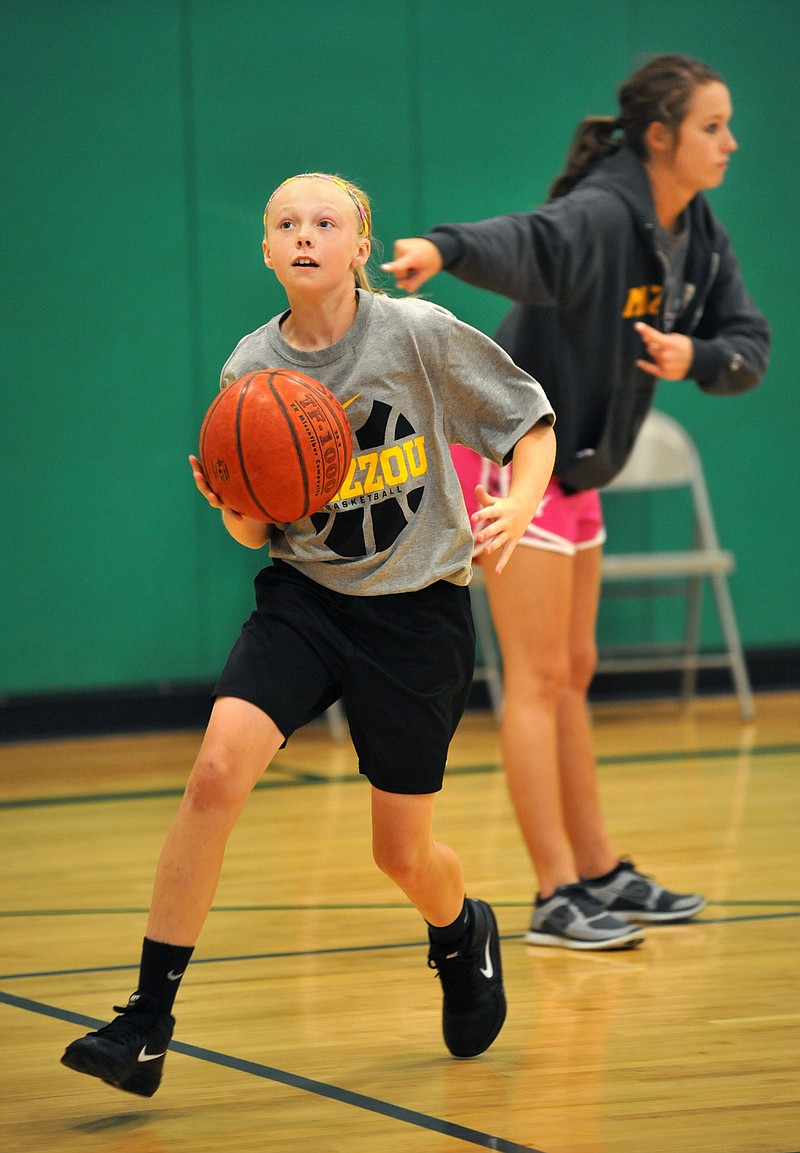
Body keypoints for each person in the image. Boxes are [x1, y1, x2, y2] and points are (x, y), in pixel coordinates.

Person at [60, 172, 556, 1095]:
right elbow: (257, 529)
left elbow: (531, 424)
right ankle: (146, 1022)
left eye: (325, 221)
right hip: (308, 601)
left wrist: (520, 502)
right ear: (265, 250)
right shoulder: (250, 371)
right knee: (214, 773)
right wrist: (231, 503)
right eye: (285, 222)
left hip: (417, 613)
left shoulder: (414, 332)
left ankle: (461, 930)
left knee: (399, 850)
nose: (304, 235)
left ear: (361, 245)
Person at [382, 54, 770, 951]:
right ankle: (555, 891)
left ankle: (598, 868)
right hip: (513, 457)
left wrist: (697, 358)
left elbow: (745, 338)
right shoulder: (603, 212)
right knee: (538, 677)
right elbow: (532, 241)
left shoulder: (694, 229)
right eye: (714, 127)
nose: (730, 142)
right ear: (662, 136)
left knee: (576, 669)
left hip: (579, 461)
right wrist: (445, 247)